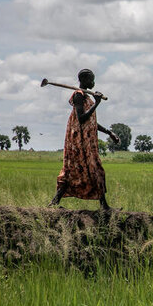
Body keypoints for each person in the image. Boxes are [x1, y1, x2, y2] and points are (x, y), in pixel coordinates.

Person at [48, 69, 119, 210]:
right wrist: (97, 104)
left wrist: (109, 132)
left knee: (93, 170)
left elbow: (91, 121)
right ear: (85, 80)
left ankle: (103, 206)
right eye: (91, 79)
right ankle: (54, 203)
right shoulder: (78, 96)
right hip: (78, 142)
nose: (93, 82)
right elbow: (81, 119)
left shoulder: (87, 97)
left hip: (87, 142)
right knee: (75, 171)